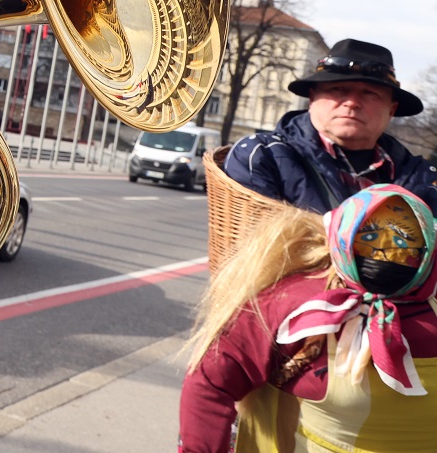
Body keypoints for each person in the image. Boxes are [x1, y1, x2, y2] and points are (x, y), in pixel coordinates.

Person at [179, 184, 437, 452]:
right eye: (370, 239)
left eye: (401, 243)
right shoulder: (292, 303)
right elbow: (211, 382)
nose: (385, 255)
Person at [224, 38, 437, 213]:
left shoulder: (425, 179)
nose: (352, 102)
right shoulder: (261, 156)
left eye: (370, 93)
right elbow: (255, 252)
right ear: (312, 98)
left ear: (391, 109)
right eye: (338, 89)